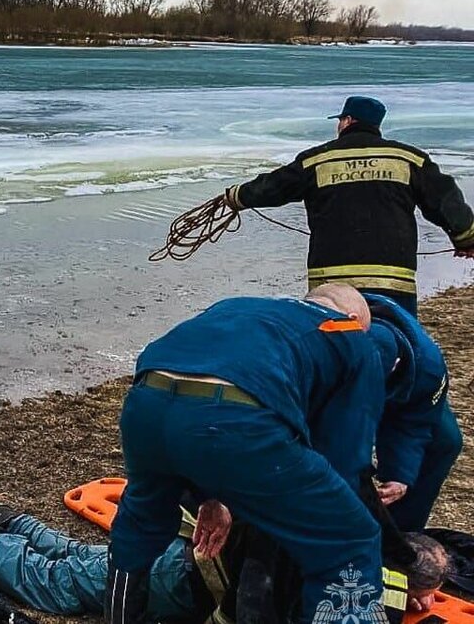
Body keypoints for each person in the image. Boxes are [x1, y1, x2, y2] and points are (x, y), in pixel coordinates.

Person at [106, 284, 397, 624]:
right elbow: (344, 455)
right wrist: (325, 510)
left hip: (145, 402)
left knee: (140, 524)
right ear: (351, 317)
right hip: (236, 422)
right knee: (350, 540)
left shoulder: (239, 305)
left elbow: (194, 400)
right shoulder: (350, 332)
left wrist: (210, 496)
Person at [0, 484, 450, 623]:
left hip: (190, 551)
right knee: (57, 584)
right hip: (186, 575)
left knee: (80, 559)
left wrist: (408, 594)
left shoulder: (350, 543)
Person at [223, 96, 474, 314]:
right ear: (376, 124)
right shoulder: (408, 159)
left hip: (331, 281)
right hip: (393, 279)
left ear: (347, 121)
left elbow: (274, 187)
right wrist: (465, 238)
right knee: (399, 342)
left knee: (333, 347)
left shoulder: (318, 159)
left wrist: (236, 196)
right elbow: (445, 201)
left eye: (340, 120)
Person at [366, 293, 463, 532]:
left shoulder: (428, 368)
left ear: (396, 365)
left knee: (444, 442)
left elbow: (413, 424)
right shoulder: (328, 351)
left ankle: (399, 532)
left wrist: (399, 475)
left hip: (405, 382)